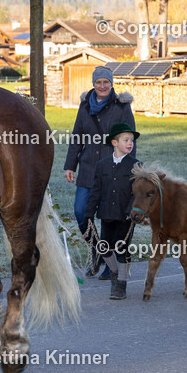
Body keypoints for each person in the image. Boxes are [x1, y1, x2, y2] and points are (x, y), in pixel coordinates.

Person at [63, 66, 135, 279]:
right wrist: (70, 165)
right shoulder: (85, 105)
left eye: (106, 82)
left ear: (111, 84)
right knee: (80, 213)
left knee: (109, 218)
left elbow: (129, 137)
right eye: (98, 82)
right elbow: (77, 136)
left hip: (112, 169)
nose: (102, 86)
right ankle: (97, 251)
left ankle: (108, 263)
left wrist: (127, 167)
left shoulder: (121, 106)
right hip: (87, 169)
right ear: (93, 84)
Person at [84, 123, 140, 300]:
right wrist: (89, 213)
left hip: (125, 216)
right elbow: (96, 190)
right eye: (126, 140)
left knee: (122, 248)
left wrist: (130, 210)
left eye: (131, 140)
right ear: (114, 143)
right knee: (105, 247)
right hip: (107, 213)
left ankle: (121, 284)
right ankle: (114, 272)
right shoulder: (102, 165)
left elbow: (136, 193)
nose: (130, 143)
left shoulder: (136, 165)